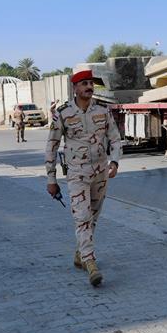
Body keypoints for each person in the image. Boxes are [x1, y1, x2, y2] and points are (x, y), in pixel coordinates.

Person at [44, 70, 122, 287]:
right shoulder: (63, 113)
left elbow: (115, 140)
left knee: (93, 216)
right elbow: (52, 146)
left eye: (91, 83)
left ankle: (80, 254)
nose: (89, 87)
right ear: (75, 88)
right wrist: (51, 179)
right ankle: (90, 263)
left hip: (100, 172)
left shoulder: (102, 111)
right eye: (84, 83)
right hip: (77, 173)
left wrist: (114, 162)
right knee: (82, 216)